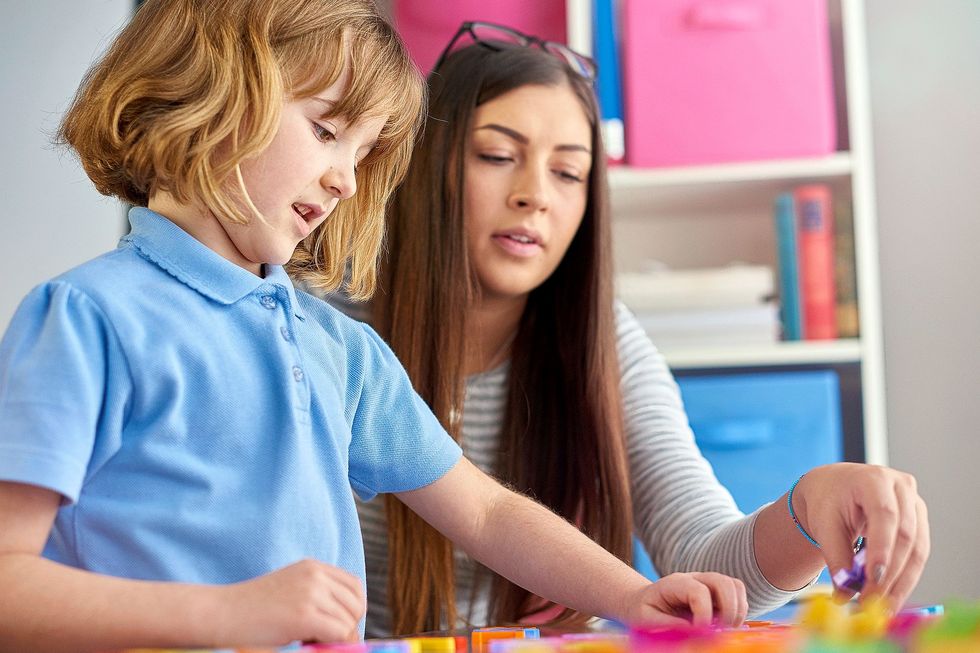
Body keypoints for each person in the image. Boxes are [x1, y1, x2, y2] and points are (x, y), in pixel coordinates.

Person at [0, 4, 753, 653]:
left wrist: (633, 596)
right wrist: (226, 614)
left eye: (363, 154)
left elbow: (485, 512)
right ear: (214, 95)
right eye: (326, 130)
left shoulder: (338, 349)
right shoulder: (87, 319)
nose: (346, 179)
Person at [335, 24, 931, 637]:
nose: (534, 195)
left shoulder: (602, 341)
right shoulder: (331, 325)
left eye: (568, 174)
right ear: (423, 167)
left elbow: (705, 564)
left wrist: (809, 505)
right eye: (496, 156)